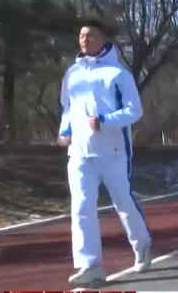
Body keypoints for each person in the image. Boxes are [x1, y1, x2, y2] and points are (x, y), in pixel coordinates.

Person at [57, 19, 152, 287]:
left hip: (113, 153)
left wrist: (105, 121)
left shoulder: (118, 74)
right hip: (80, 153)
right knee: (81, 208)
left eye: (90, 35)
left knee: (123, 202)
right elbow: (67, 108)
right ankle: (91, 266)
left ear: (102, 39)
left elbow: (134, 110)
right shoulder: (72, 74)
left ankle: (142, 245)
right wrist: (65, 131)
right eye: (81, 35)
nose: (84, 39)